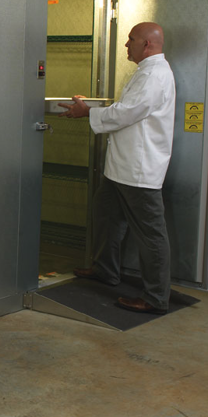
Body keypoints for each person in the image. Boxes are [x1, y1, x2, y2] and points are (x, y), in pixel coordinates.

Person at [58, 21, 176, 314]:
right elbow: (128, 107)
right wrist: (94, 107)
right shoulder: (145, 73)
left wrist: (89, 112)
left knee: (151, 235)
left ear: (147, 44)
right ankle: (105, 270)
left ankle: (156, 298)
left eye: (131, 39)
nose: (127, 44)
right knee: (107, 215)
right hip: (121, 167)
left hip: (139, 170)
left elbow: (128, 113)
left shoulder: (156, 75)